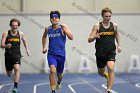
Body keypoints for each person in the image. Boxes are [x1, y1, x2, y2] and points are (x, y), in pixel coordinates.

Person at [88, 7, 121, 93]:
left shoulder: (114, 26)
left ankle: (108, 90)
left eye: (109, 16)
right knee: (101, 72)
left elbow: (117, 35)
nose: (108, 18)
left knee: (111, 67)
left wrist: (119, 45)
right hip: (100, 53)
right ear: (102, 16)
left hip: (111, 52)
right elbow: (89, 39)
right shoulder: (97, 26)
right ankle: (105, 75)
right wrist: (95, 36)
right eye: (106, 16)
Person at [42, 10, 73, 93]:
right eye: (52, 18)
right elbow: (44, 37)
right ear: (50, 19)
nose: (54, 19)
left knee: (59, 75)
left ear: (59, 19)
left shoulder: (63, 27)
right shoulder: (48, 29)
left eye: (56, 18)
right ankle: (53, 90)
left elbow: (71, 37)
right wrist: (44, 47)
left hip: (61, 55)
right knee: (52, 71)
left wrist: (65, 31)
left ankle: (59, 82)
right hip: (51, 54)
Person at [1, 18, 30, 93]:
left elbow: (24, 40)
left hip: (17, 55)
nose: (14, 27)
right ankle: (10, 72)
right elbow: (1, 45)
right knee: (9, 73)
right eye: (13, 25)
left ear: (18, 26)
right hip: (8, 56)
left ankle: (15, 87)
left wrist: (27, 49)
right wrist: (6, 46)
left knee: (17, 68)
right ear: (10, 25)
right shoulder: (6, 33)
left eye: (16, 25)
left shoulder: (20, 34)